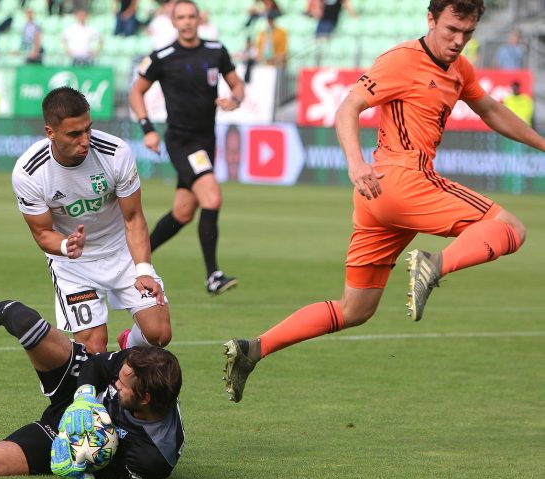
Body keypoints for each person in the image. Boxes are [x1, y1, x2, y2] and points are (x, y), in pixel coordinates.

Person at [223, 0, 545, 403]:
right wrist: (356, 163)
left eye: (467, 34)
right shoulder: (401, 60)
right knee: (511, 227)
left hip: (378, 200)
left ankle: (255, 348)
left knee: (355, 309)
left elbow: (492, 109)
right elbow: (348, 108)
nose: (458, 41)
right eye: (451, 30)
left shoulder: (460, 69)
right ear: (431, 19)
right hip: (400, 180)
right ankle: (435, 263)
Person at [0, 291, 184, 479]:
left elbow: (102, 465)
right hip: (76, 394)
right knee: (23, 320)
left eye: (122, 385)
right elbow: (98, 366)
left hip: (63, 433)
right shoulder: (144, 362)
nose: (117, 382)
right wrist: (85, 398)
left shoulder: (154, 457)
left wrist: (74, 458)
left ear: (145, 398)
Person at [12, 86, 171, 354]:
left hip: (122, 253)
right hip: (74, 265)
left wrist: (143, 269)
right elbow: (42, 233)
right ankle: (103, 393)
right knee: (94, 348)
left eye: (88, 129)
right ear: (50, 132)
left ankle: (127, 347)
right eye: (74, 134)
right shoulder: (30, 172)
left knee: (159, 334)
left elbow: (133, 218)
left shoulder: (115, 153)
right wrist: (66, 246)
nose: (85, 139)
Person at [129, 0, 245, 296]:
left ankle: (132, 261)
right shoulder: (163, 56)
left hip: (206, 140)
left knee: (182, 212)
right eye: (181, 17)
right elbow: (136, 92)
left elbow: (237, 85)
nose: (187, 22)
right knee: (212, 197)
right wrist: (148, 129)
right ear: (173, 21)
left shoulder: (216, 51)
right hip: (182, 141)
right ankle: (213, 276)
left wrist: (234, 100)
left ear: (199, 19)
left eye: (191, 16)